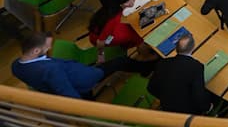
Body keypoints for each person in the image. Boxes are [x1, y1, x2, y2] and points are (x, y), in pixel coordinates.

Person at [10, 31, 138, 99]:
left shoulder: (16, 65)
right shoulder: (51, 70)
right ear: (36, 51)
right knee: (120, 61)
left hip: (72, 81)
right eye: (47, 47)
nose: (50, 48)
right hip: (86, 79)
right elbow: (69, 95)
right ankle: (145, 67)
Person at [148, 33, 213, 115]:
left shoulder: (163, 62)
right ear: (193, 48)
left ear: (176, 48)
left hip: (166, 106)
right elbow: (198, 94)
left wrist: (166, 98)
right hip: (186, 113)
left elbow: (151, 87)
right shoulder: (196, 67)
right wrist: (207, 107)